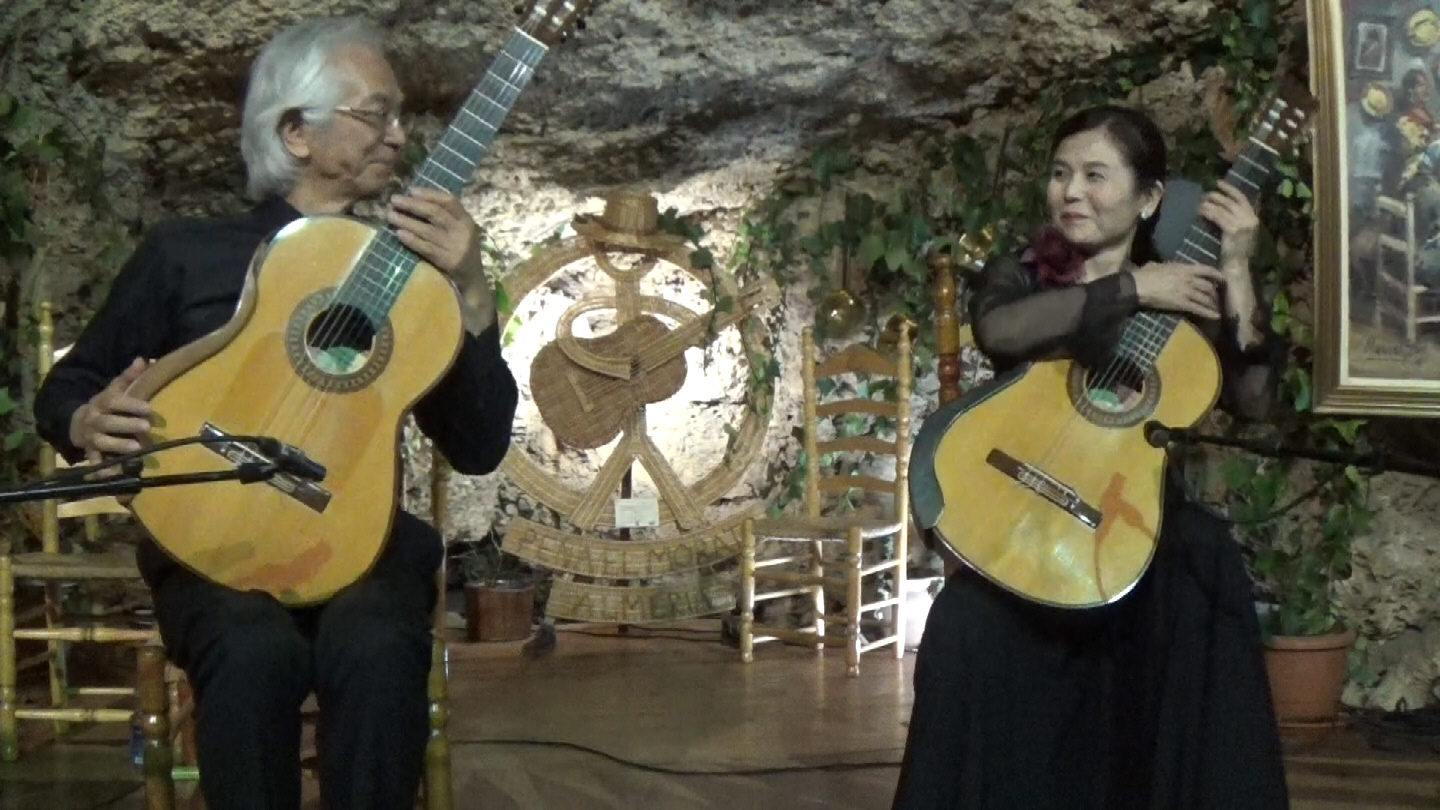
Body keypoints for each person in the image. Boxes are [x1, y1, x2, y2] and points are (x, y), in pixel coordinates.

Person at [32, 16, 518, 810]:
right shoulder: (185, 255)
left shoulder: (416, 284)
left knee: (376, 646)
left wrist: (470, 290)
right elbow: (68, 387)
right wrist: (84, 419)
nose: (398, 136)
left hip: (359, 541)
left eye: (400, 116)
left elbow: (479, 444)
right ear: (295, 132)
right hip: (215, 546)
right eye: (376, 113)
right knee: (253, 653)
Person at [894, 105, 1290, 809]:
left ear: (1149, 198)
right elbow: (999, 330)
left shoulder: (1188, 290)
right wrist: (1133, 288)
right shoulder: (1026, 273)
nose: (1071, 190)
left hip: (1127, 522)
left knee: (1205, 564)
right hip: (1027, 519)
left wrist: (1234, 266)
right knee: (960, 628)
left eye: (1095, 175)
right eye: (1060, 173)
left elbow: (1255, 402)